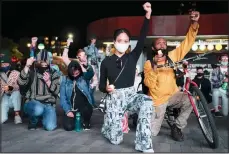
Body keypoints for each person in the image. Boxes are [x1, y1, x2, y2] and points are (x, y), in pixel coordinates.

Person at [99, 2, 153, 152]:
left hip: (130, 95)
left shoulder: (132, 57)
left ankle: (144, 143)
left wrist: (147, 16)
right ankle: (107, 128)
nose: (122, 43)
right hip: (115, 98)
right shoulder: (106, 62)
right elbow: (101, 85)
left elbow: (142, 38)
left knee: (147, 101)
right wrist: (107, 88)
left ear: (129, 43)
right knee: (116, 140)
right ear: (114, 41)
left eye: (126, 41)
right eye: (119, 40)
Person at [144, 11, 200, 141]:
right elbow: (149, 84)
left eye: (164, 43)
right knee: (152, 133)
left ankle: (177, 126)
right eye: (159, 43)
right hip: (158, 100)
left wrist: (194, 23)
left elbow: (187, 43)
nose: (162, 44)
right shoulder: (149, 63)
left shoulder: (172, 57)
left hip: (174, 95)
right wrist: (155, 68)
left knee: (191, 99)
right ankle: (145, 116)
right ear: (153, 48)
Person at [17, 50, 60, 130]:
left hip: (48, 104)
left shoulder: (54, 73)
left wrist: (48, 82)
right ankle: (33, 120)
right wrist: (26, 66)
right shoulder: (31, 72)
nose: (43, 64)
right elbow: (21, 82)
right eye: (41, 61)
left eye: (45, 62)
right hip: (33, 102)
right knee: (38, 109)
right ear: (37, 61)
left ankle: (42, 117)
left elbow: (57, 91)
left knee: (50, 127)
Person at [61, 40, 95, 131]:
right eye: (80, 56)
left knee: (87, 108)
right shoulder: (72, 66)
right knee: (68, 127)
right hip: (71, 107)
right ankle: (75, 117)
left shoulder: (87, 68)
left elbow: (89, 75)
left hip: (83, 105)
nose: (82, 57)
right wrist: (67, 44)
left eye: (84, 55)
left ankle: (85, 120)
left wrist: (83, 65)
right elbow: (64, 58)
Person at [0, 50, 22, 124]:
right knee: (2, 120)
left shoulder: (16, 73)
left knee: (17, 93)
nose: (4, 65)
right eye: (2, 64)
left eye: (6, 64)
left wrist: (10, 88)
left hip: (14, 95)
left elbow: (19, 86)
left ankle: (17, 115)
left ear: (9, 64)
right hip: (4, 96)